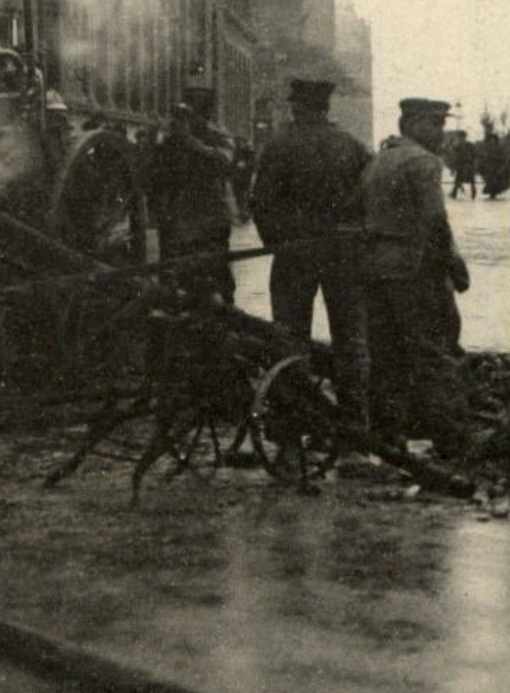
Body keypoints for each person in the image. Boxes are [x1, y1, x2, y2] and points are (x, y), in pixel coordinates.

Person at [251, 78, 371, 429]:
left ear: (297, 106)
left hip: (294, 256)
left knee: (289, 338)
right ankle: (355, 424)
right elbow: (369, 202)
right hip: (343, 256)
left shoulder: (279, 145)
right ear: (327, 107)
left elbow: (260, 203)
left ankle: (292, 425)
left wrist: (277, 243)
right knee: (350, 340)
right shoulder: (353, 147)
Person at [360, 97, 471, 450]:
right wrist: (453, 264)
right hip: (413, 268)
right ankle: (451, 437)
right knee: (432, 350)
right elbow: (435, 220)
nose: (441, 133)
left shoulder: (380, 159)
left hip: (375, 268)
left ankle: (387, 436)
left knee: (385, 355)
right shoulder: (423, 162)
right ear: (414, 123)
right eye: (435, 124)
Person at [148, 83, 236, 303]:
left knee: (215, 275)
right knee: (174, 278)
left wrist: (191, 142)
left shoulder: (216, 137)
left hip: (209, 217)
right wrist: (155, 140)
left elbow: (224, 162)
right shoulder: (170, 142)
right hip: (176, 217)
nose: (187, 121)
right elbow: (150, 176)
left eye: (192, 115)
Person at [478, 118, 510, 198]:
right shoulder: (486, 148)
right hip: (489, 168)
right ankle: (492, 193)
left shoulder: (499, 148)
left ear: (495, 140)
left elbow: (504, 158)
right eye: (490, 140)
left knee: (496, 180)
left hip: (497, 167)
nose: (492, 141)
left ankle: (494, 192)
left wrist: (502, 167)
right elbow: (483, 157)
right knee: (490, 180)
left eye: (493, 140)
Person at [448, 130, 478, 199]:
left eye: (462, 137)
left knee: (471, 179)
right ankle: (454, 192)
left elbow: (474, 155)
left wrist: (474, 163)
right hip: (461, 165)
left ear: (465, 137)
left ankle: (473, 192)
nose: (461, 139)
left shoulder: (470, 145)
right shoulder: (458, 146)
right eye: (460, 137)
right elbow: (455, 155)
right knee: (458, 179)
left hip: (469, 164)